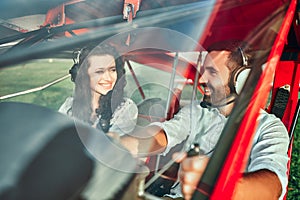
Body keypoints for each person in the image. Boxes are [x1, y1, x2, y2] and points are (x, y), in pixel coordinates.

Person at [120, 40, 289, 199]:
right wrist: (129, 143)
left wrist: (218, 184)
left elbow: (273, 185)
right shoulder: (197, 110)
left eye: (212, 72)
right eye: (203, 71)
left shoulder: (269, 127)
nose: (200, 80)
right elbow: (165, 133)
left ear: (241, 80)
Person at [59, 43, 138, 135]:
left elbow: (111, 145)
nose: (108, 78)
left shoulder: (125, 109)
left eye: (112, 70)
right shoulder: (69, 106)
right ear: (84, 75)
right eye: (100, 71)